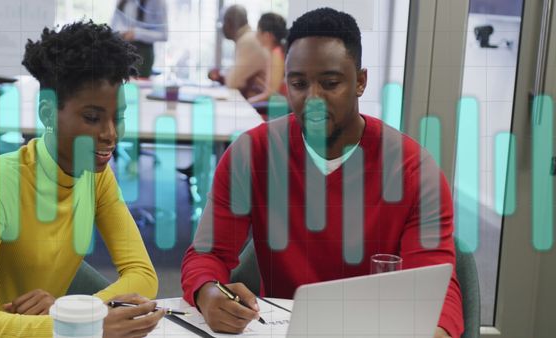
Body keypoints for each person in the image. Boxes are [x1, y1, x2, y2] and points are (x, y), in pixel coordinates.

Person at [181, 8, 463, 338]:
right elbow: (207, 254)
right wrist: (208, 293)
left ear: (360, 81)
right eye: (299, 84)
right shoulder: (251, 154)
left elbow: (437, 291)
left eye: (330, 84)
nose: (312, 100)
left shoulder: (414, 171)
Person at [0, 21, 164, 337]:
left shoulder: (96, 178)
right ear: (47, 113)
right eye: (92, 118)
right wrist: (80, 322)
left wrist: (73, 314)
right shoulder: (0, 180)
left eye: (119, 117)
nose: (110, 134)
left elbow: (142, 274)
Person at [207, 5, 269, 99]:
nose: (222, 27)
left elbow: (233, 82)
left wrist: (221, 77)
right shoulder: (248, 38)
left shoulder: (247, 41)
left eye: (223, 22)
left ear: (230, 23)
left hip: (260, 105)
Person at [111, 0, 168, 78]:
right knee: (120, 85)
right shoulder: (122, 2)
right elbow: (114, 25)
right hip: (121, 50)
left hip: (142, 53)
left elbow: (164, 35)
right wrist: (121, 32)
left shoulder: (157, 2)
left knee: (137, 87)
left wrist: (137, 34)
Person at [247, 12, 288, 104]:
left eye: (258, 30)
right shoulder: (275, 52)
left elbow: (271, 94)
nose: (256, 34)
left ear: (268, 35)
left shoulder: (276, 54)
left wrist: (248, 102)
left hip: (278, 108)